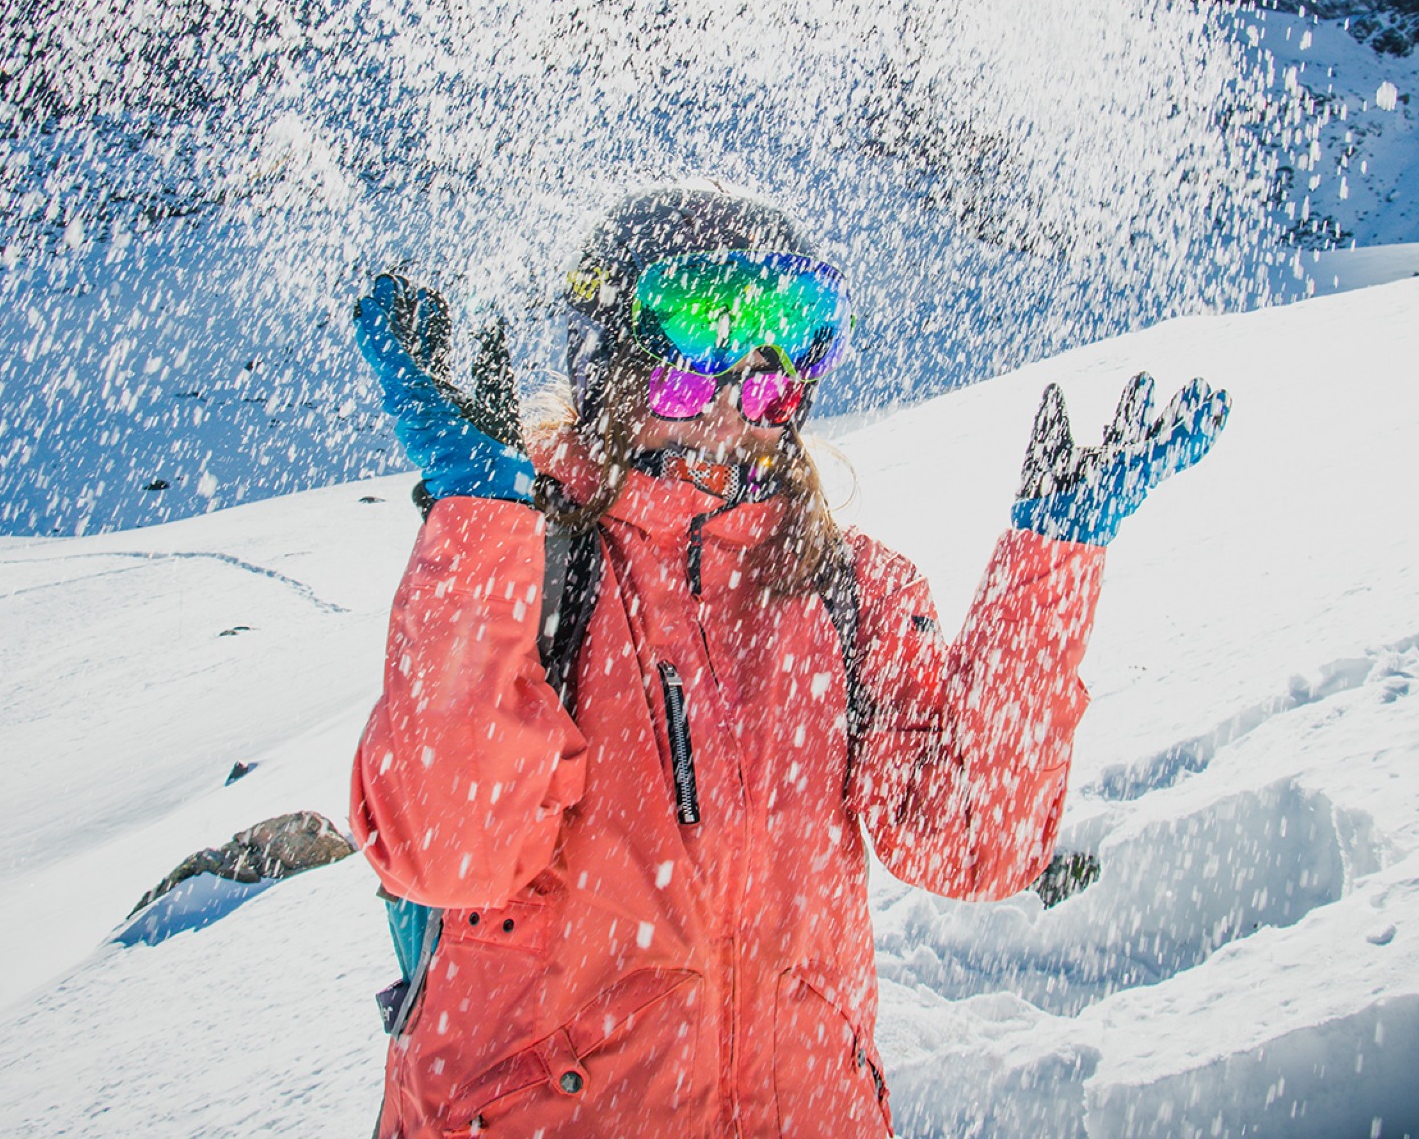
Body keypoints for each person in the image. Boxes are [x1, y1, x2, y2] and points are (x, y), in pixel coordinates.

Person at [348, 183, 1229, 1138]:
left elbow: (976, 842)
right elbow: (449, 849)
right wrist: (480, 521)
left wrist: (1050, 566)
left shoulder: (851, 593)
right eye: (693, 356)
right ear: (607, 366)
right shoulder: (535, 564)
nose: (736, 398)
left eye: (773, 362)